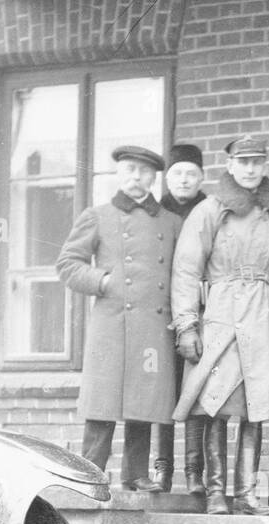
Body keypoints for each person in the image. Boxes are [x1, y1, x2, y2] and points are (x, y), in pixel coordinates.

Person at [171, 135, 269, 515]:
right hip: (222, 315)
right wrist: (187, 324)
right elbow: (187, 269)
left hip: (264, 315)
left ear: (266, 165)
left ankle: (247, 493)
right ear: (230, 165)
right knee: (215, 406)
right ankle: (215, 493)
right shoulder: (210, 210)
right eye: (243, 161)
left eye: (258, 161)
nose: (251, 168)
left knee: (256, 407)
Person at [56, 145, 180, 490]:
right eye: (129, 170)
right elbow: (67, 264)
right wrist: (103, 281)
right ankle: (89, 473)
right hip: (112, 323)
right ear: (118, 174)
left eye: (143, 171)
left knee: (145, 400)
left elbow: (183, 271)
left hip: (154, 325)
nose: (135, 177)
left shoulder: (171, 223)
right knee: (103, 401)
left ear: (154, 177)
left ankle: (136, 474)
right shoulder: (98, 215)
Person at [153, 142, 208, 496]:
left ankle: (194, 471)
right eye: (178, 173)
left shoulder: (210, 211)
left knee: (196, 389)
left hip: (200, 313)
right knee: (162, 392)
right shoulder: (154, 213)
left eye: (191, 173)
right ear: (167, 177)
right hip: (161, 315)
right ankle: (162, 469)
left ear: (201, 177)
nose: (184, 180)